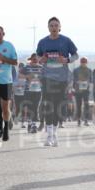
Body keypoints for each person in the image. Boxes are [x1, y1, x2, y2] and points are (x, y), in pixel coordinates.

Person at [35, 17, 79, 147]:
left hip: (62, 79)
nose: (54, 28)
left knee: (58, 106)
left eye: (56, 25)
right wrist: (41, 59)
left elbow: (76, 55)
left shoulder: (66, 41)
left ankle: (54, 134)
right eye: (51, 25)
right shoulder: (43, 42)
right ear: (48, 28)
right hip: (47, 78)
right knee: (49, 106)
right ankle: (49, 136)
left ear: (60, 27)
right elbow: (38, 56)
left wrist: (67, 60)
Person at [24, 54, 44, 132]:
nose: (35, 60)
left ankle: (34, 125)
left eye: (36, 59)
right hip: (28, 90)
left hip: (38, 91)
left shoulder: (41, 68)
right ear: (31, 59)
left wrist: (41, 80)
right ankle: (30, 122)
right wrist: (27, 77)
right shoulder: (26, 67)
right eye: (33, 59)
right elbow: (20, 75)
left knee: (35, 107)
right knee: (29, 107)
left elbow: (45, 77)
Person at [72, 57, 93, 125]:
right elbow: (73, 79)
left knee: (86, 104)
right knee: (79, 105)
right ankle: (79, 119)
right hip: (78, 90)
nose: (83, 63)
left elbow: (91, 79)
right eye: (82, 62)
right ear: (80, 62)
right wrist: (77, 81)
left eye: (84, 62)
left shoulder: (89, 70)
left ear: (86, 63)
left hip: (86, 90)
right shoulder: (76, 70)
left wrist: (87, 82)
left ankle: (86, 120)